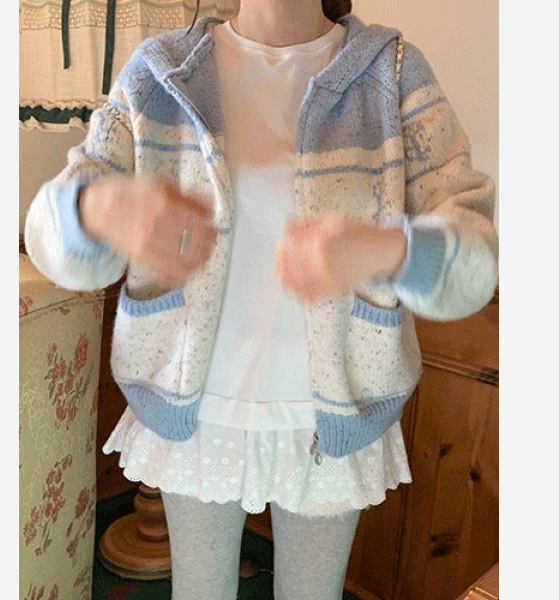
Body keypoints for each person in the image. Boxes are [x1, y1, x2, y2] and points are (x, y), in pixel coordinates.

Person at [24, 0, 499, 598]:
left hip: (331, 422)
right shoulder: (159, 73)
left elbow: (476, 260)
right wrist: (97, 209)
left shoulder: (393, 72)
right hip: (195, 415)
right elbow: (49, 232)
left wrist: (387, 248)